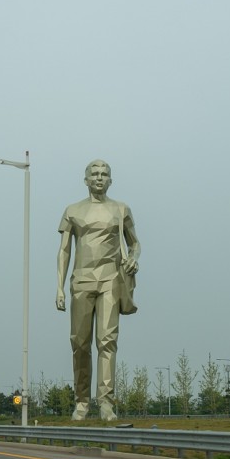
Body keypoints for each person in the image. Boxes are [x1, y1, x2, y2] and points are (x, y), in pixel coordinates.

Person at [56, 160, 140, 421]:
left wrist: (134, 257)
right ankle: (81, 402)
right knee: (79, 343)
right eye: (95, 174)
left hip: (110, 282)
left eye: (104, 174)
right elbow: (64, 250)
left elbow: (135, 244)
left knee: (107, 342)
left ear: (111, 180)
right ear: (86, 180)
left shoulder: (121, 209)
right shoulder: (72, 210)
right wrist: (59, 286)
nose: (100, 178)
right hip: (81, 281)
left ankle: (105, 402)